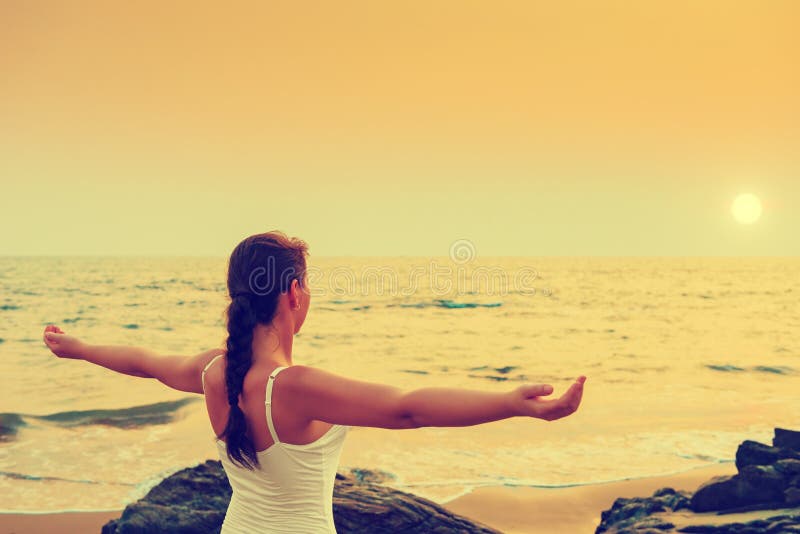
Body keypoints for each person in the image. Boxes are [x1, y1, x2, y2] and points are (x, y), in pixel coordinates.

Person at [42, 230, 587, 533]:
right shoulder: (293, 388)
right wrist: (510, 402)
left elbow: (143, 360)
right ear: (294, 294)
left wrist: (79, 348)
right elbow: (408, 408)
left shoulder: (214, 370)